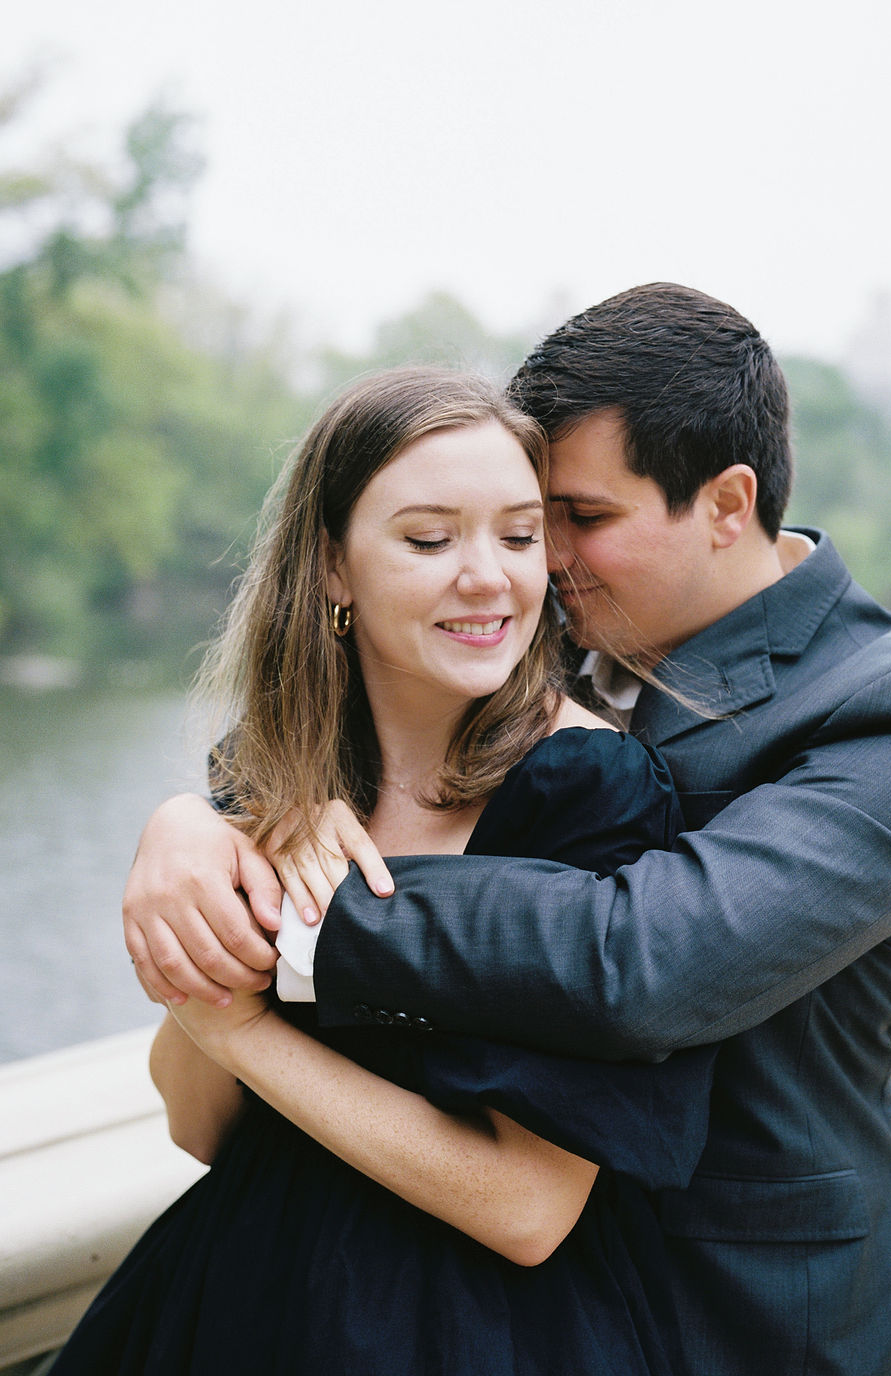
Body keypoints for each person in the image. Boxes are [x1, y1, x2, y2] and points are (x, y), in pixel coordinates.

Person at [123, 286, 891, 1374]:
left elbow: (648, 960)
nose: (532, 563)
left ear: (727, 505)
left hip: (758, 1319)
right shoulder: (509, 641)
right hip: (461, 1306)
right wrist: (188, 828)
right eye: (534, 522)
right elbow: (319, 755)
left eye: (573, 520)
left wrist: (283, 920)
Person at [53, 367, 720, 1375]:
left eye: (518, 532)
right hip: (243, 1296)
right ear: (332, 566)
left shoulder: (590, 788)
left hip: (479, 1333)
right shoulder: (273, 768)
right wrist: (190, 830)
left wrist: (235, 1021)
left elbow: (528, 1206)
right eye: (427, 538)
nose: (489, 577)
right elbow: (199, 1122)